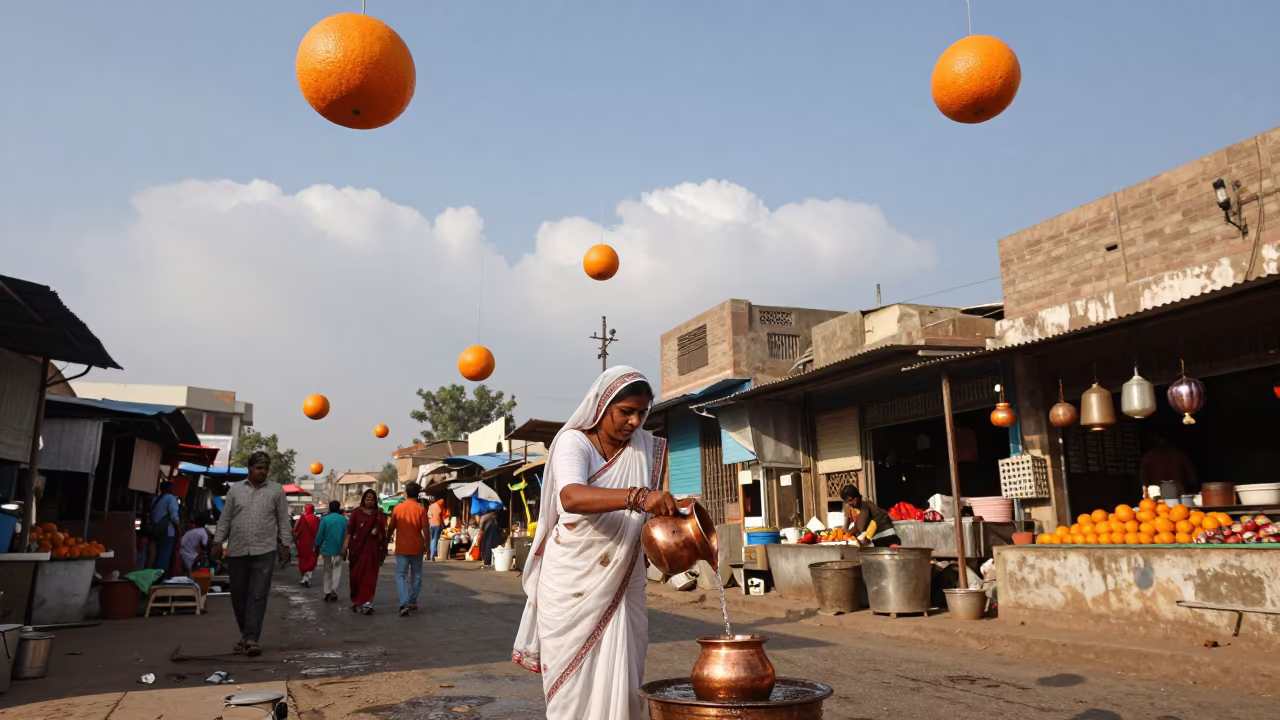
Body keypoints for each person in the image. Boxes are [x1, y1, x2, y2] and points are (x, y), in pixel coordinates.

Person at [512, 366, 678, 720]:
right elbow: (571, 496)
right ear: (602, 406)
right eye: (626, 412)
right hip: (573, 581)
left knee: (624, 673)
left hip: (624, 579)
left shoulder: (646, 449)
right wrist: (638, 497)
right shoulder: (575, 441)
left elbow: (651, 517)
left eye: (642, 412)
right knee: (571, 688)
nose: (635, 421)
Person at [212, 451, 293, 657]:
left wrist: (286, 544)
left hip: (264, 550)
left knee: (258, 595)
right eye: (259, 468)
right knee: (238, 596)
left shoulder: (276, 491)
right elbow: (226, 519)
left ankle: (252, 639)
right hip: (237, 550)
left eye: (265, 468)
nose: (262, 472)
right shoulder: (235, 490)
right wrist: (217, 541)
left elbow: (283, 519)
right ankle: (245, 635)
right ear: (249, 469)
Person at [387, 482, 429, 617]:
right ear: (417, 494)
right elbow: (426, 530)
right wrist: (427, 545)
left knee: (401, 575)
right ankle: (412, 601)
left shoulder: (397, 509)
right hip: (417, 548)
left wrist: (386, 540)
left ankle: (404, 603)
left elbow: (391, 527)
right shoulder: (420, 509)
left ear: (405, 493)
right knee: (416, 576)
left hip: (401, 548)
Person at [347, 488, 387, 615]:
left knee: (370, 577)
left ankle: (367, 603)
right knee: (355, 577)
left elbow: (384, 534)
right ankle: (356, 600)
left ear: (375, 501)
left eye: (372, 500)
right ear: (363, 499)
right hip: (356, 551)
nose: (369, 502)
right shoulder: (355, 513)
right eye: (367, 499)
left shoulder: (379, 515)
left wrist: (379, 535)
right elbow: (349, 532)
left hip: (372, 551)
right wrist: (344, 548)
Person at [313, 500, 347, 602]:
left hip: (327, 549)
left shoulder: (324, 519)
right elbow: (347, 535)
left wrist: (316, 545)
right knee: (337, 570)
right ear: (338, 508)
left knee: (327, 571)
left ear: (329, 508)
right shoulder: (344, 520)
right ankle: (334, 590)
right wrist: (346, 548)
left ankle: (327, 592)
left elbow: (320, 534)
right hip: (339, 549)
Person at [149, 481, 182, 577]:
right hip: (167, 531)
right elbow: (174, 516)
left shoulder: (155, 499)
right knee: (164, 557)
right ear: (171, 488)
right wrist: (179, 528)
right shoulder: (171, 498)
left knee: (154, 556)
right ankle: (161, 579)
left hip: (155, 530)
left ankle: (153, 577)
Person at [293, 504, 320, 587]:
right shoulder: (317, 519)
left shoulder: (302, 518)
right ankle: (306, 578)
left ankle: (305, 578)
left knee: (303, 560)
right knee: (311, 560)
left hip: (302, 543)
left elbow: (295, 530)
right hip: (313, 543)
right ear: (313, 510)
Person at [426, 495, 445, 562]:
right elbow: (441, 514)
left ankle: (431, 554)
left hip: (431, 525)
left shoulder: (430, 507)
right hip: (437, 524)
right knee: (435, 540)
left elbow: (429, 516)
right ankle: (432, 555)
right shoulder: (438, 505)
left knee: (432, 539)